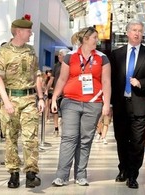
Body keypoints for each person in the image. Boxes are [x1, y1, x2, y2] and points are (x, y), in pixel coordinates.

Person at [51, 26, 111, 187]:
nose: (97, 41)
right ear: (85, 39)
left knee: (85, 140)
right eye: (94, 38)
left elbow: (106, 82)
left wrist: (106, 104)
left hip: (93, 104)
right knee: (69, 138)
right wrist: (54, 97)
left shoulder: (102, 58)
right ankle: (62, 175)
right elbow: (62, 79)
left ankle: (81, 174)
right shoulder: (70, 57)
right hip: (70, 102)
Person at [0, 14, 45, 189]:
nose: (31, 33)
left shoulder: (31, 51)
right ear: (19, 31)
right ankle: (13, 172)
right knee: (10, 137)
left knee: (31, 137)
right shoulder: (3, 52)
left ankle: (31, 173)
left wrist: (40, 98)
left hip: (29, 99)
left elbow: (36, 74)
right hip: (10, 99)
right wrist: (6, 101)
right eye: (28, 30)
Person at [110, 19, 145, 189]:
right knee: (121, 139)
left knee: (137, 141)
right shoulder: (116, 54)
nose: (137, 33)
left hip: (139, 103)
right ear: (127, 33)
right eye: (134, 30)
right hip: (120, 104)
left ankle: (133, 174)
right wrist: (109, 104)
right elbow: (111, 81)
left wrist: (141, 83)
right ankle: (123, 168)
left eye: (140, 30)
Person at [45, 49, 70, 137]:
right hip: (56, 92)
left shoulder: (69, 65)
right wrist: (47, 89)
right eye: (59, 55)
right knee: (54, 111)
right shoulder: (56, 66)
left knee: (66, 112)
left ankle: (65, 129)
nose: (58, 56)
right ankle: (56, 128)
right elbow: (52, 79)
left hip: (66, 93)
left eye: (60, 54)